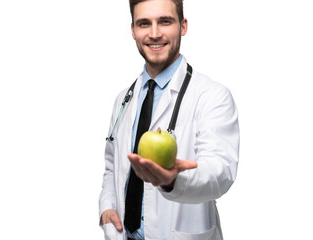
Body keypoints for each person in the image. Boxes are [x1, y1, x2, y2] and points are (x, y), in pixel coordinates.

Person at [99, 0, 240, 239]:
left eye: (165, 21)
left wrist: (174, 180)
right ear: (133, 30)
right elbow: (112, 166)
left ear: (183, 26)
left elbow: (220, 172)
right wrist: (106, 207)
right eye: (144, 23)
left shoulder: (213, 96)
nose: (154, 34)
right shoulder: (123, 99)